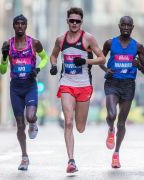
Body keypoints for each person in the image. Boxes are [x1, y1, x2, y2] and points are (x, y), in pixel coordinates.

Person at [49, 7, 105, 173]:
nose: (74, 23)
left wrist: (85, 62)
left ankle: (77, 137)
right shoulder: (60, 40)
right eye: (71, 20)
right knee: (68, 122)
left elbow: (102, 58)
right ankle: (71, 161)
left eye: (77, 21)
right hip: (67, 84)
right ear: (67, 21)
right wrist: (53, 65)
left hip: (84, 86)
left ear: (81, 22)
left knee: (80, 127)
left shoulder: (88, 38)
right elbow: (53, 55)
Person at [0, 14, 49, 171]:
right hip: (15, 88)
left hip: (30, 86)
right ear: (13, 26)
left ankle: (33, 122)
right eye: (17, 24)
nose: (20, 26)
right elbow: (2, 70)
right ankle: (24, 157)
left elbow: (45, 58)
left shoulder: (34, 43)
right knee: (20, 125)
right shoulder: (8, 44)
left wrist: (37, 69)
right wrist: (4, 56)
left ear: (26, 26)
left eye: (23, 24)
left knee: (30, 117)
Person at [99, 16, 144, 168]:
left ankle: (116, 154)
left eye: (129, 25)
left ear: (132, 27)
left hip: (128, 85)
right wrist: (107, 70)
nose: (126, 27)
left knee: (121, 122)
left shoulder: (138, 47)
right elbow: (100, 60)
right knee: (111, 115)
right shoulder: (109, 43)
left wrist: (139, 65)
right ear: (119, 26)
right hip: (112, 83)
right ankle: (110, 129)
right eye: (123, 25)